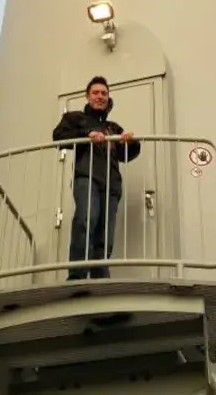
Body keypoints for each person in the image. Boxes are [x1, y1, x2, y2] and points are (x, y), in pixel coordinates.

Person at [52, 76, 141, 280]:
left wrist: (130, 143)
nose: (100, 97)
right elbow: (58, 137)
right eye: (95, 93)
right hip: (87, 177)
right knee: (86, 218)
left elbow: (125, 156)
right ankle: (77, 275)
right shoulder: (75, 118)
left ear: (108, 98)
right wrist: (87, 134)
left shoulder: (113, 127)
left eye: (104, 93)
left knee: (105, 232)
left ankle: (100, 276)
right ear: (87, 96)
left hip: (111, 184)